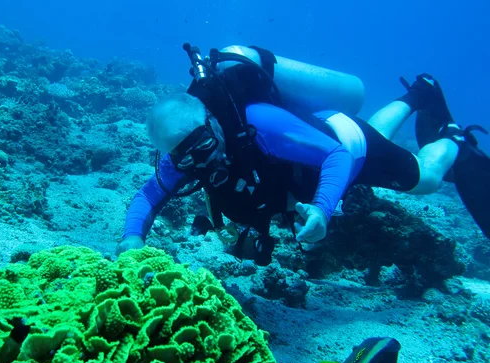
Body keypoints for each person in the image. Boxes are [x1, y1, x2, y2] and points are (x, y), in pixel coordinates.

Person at [116, 45, 489, 265]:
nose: (200, 163)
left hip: (347, 142)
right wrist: (132, 239)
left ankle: (455, 140)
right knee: (381, 134)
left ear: (212, 123)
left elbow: (338, 156)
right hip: (314, 150)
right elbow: (151, 193)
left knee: (425, 179)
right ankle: (416, 96)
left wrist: (323, 210)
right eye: (184, 159)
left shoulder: (259, 124)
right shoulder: (184, 146)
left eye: (204, 148)